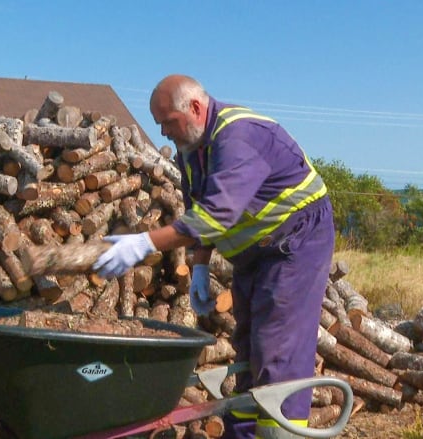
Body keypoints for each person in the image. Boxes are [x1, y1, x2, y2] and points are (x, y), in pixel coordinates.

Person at [93, 74, 335, 438]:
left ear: (194, 107)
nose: (163, 134)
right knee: (248, 348)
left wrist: (144, 243)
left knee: (277, 350)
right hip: (257, 252)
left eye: (168, 123)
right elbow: (199, 210)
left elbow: (216, 216)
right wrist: (201, 266)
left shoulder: (238, 136)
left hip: (296, 241)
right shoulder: (193, 151)